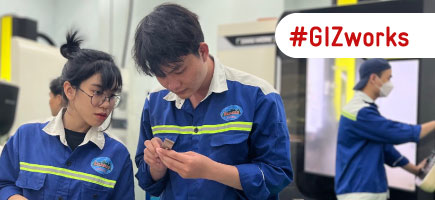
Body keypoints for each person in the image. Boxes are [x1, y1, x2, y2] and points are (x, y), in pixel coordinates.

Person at [133, 3, 293, 200]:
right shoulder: (155, 101)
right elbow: (146, 179)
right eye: (161, 75)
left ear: (202, 51)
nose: (172, 84)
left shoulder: (259, 96)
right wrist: (155, 168)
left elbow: (277, 175)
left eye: (179, 70)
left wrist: (212, 171)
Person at [0, 31, 134, 200]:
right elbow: (3, 183)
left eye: (112, 95)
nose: (106, 103)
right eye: (97, 92)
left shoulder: (117, 154)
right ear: (70, 90)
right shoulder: (25, 138)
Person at [335, 58, 435, 200]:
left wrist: (415, 170)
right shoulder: (359, 111)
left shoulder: (364, 109)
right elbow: (397, 133)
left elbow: (386, 149)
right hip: (360, 193)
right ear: (374, 78)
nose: (390, 84)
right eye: (388, 78)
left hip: (368, 191)